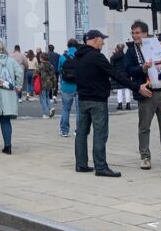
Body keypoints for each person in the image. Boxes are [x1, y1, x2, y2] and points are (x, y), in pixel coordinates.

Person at [74, 29, 134, 177]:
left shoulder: (78, 56)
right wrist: (136, 87)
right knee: (100, 133)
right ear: (95, 40)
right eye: (102, 39)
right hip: (97, 100)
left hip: (82, 99)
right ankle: (101, 166)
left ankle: (81, 164)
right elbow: (114, 74)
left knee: (81, 132)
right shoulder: (97, 56)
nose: (104, 42)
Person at [124, 21, 161, 171]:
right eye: (133, 33)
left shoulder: (156, 46)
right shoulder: (131, 51)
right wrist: (141, 68)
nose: (135, 36)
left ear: (145, 33)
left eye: (137, 32)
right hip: (146, 93)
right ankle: (145, 157)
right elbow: (128, 70)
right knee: (144, 127)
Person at [57, 38, 79, 137]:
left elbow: (59, 70)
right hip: (79, 86)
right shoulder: (80, 56)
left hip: (66, 86)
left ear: (68, 46)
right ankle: (79, 130)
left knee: (66, 109)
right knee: (79, 110)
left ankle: (64, 130)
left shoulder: (62, 57)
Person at [110, 43, 132, 111]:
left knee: (119, 90)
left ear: (117, 48)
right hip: (126, 74)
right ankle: (128, 105)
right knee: (127, 89)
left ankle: (120, 104)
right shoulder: (126, 56)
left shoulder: (113, 57)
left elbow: (112, 67)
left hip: (118, 75)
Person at [37, 51, 56, 118]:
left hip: (42, 84)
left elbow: (35, 75)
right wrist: (54, 85)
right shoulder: (51, 66)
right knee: (48, 97)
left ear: (42, 58)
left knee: (43, 99)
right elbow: (54, 76)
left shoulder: (40, 66)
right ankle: (50, 108)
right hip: (49, 84)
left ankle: (45, 113)